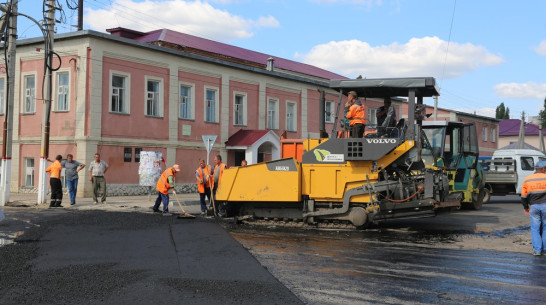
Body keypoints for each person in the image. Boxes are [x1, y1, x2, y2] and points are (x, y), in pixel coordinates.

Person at [521, 160, 546, 256]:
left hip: (534, 207)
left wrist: (526, 207)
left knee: (535, 229)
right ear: (543, 168)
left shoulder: (528, 179)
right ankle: (544, 250)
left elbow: (523, 196)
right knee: (545, 228)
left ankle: (537, 250)